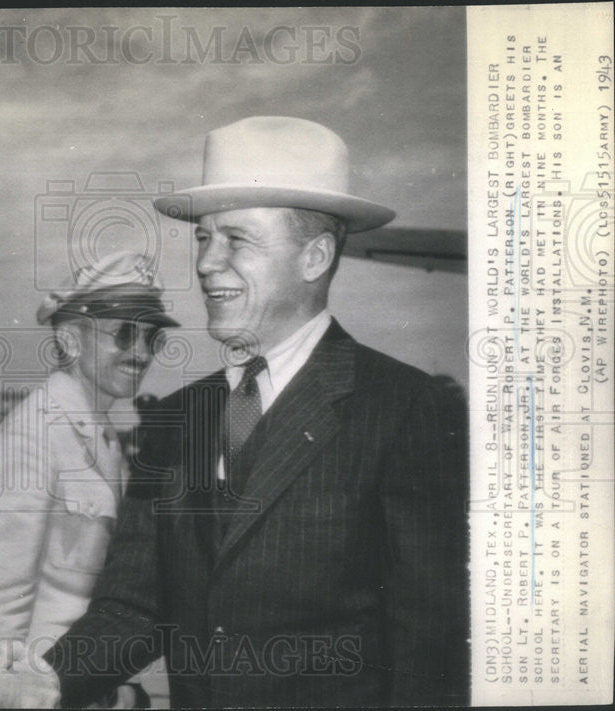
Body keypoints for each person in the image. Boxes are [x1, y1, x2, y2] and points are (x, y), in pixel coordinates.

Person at [28, 117, 470, 707]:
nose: (207, 264)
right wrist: (37, 687)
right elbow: (133, 608)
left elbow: (430, 648)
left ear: (314, 256)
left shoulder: (405, 410)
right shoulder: (175, 420)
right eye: (203, 240)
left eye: (236, 240)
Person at [0, 251, 179, 708]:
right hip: (42, 688)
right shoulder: (33, 435)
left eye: (151, 338)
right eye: (123, 334)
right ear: (71, 341)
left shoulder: (100, 433)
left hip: (84, 684)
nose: (140, 353)